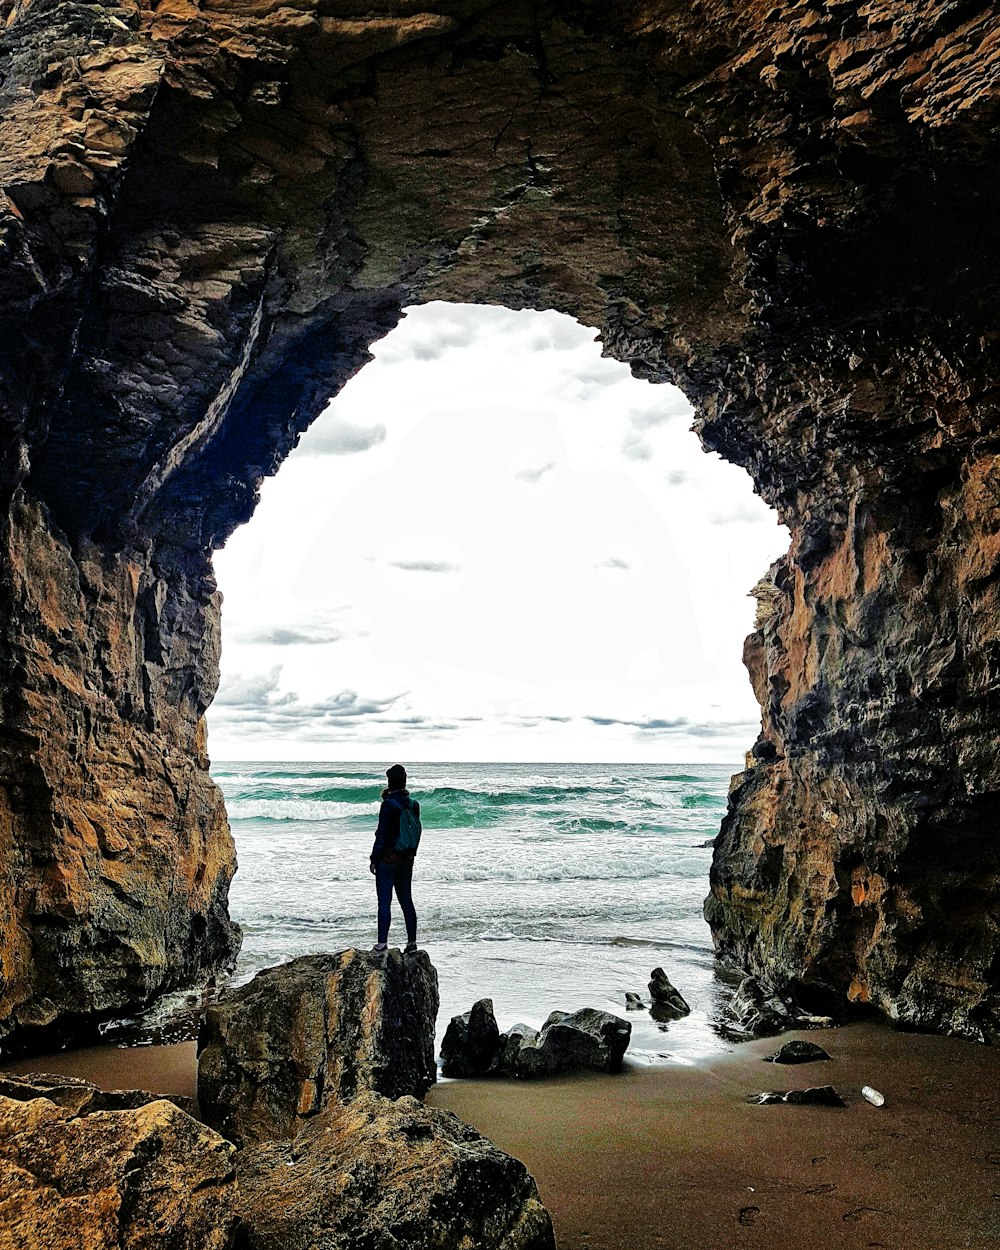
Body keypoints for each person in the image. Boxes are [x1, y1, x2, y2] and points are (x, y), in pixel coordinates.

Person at [369, 763, 419, 953]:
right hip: (407, 859)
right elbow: (414, 832)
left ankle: (382, 944)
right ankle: (412, 943)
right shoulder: (414, 805)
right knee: (407, 901)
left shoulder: (388, 805)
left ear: (390, 782)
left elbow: (382, 835)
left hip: (388, 860)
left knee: (384, 902)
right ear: (405, 781)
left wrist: (374, 859)